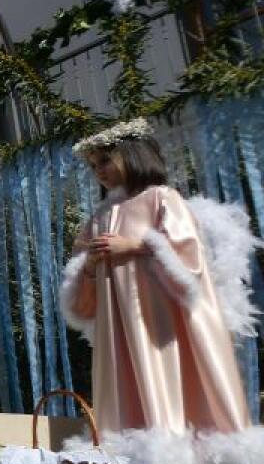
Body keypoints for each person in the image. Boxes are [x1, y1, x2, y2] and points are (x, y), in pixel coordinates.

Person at [60, 118, 251, 434]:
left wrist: (136, 244)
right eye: (94, 166)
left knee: (165, 371)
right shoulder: (99, 217)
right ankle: (137, 444)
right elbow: (81, 301)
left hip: (158, 317)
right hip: (118, 324)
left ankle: (177, 439)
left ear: (132, 154)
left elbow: (190, 261)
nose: (100, 171)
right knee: (127, 375)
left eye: (105, 160)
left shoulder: (162, 198)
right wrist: (90, 265)